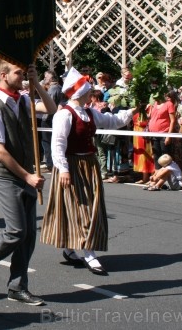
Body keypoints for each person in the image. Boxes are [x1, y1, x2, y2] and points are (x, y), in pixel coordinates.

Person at [0, 61, 57, 306]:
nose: (23, 77)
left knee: (28, 236)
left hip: (26, 172)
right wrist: (28, 177)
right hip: (7, 175)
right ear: (4, 75)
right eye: (19, 73)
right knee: (16, 230)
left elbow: (51, 109)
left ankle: (17, 287)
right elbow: (0, 152)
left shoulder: (23, 100)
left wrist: (37, 82)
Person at [41, 67, 134, 276]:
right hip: (72, 165)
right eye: (88, 91)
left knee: (87, 207)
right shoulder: (64, 114)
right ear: (80, 93)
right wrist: (63, 169)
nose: (91, 94)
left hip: (89, 165)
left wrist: (132, 112)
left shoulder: (90, 113)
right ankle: (88, 252)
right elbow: (58, 144)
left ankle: (70, 248)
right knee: (79, 208)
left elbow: (112, 121)